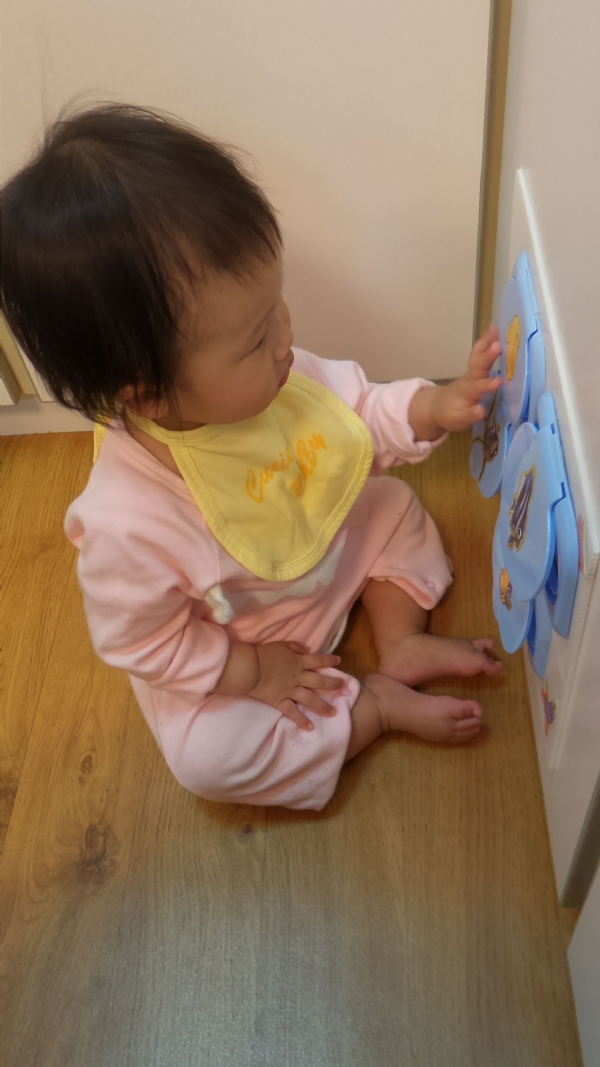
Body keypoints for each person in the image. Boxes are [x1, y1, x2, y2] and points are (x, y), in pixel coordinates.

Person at [1, 103, 503, 811]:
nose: (286, 338)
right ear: (148, 395)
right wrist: (249, 669)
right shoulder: (126, 524)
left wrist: (432, 407)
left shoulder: (277, 376)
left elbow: (355, 417)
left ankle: (400, 640)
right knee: (205, 759)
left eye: (276, 307)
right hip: (237, 631)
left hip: (323, 562)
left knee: (394, 506)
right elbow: (145, 643)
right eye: (256, 338)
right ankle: (373, 709)